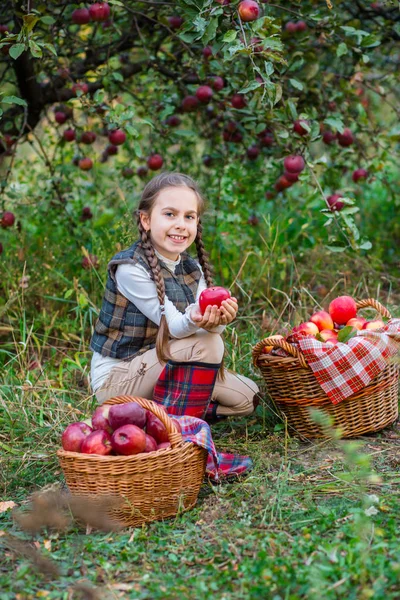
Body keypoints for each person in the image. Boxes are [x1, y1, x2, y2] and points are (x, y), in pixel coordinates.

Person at [90, 171, 260, 420]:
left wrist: (219, 320)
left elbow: (205, 331)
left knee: (248, 397)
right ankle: (169, 420)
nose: (181, 224)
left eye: (189, 216)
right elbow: (179, 328)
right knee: (209, 344)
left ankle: (161, 414)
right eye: (170, 214)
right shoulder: (130, 267)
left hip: (171, 363)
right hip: (120, 378)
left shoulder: (193, 268)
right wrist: (197, 317)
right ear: (146, 220)